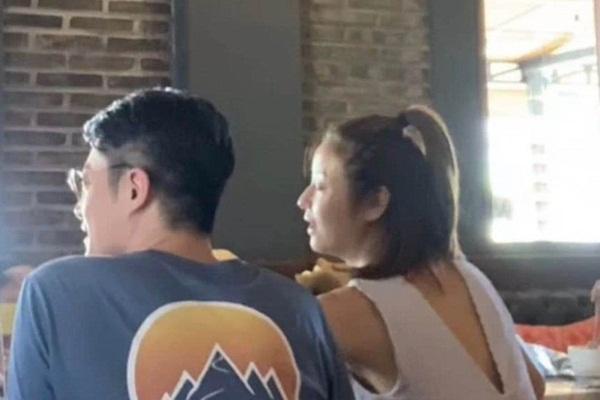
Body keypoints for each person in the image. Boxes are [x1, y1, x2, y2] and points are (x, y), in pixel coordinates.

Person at [8, 88, 353, 399]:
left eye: (85, 182)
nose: (79, 206)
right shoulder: (300, 308)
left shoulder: (57, 291)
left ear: (134, 189)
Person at [296, 105, 545, 399]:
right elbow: (535, 383)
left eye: (320, 186)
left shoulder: (344, 312)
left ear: (376, 202)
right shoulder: (468, 276)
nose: (303, 200)